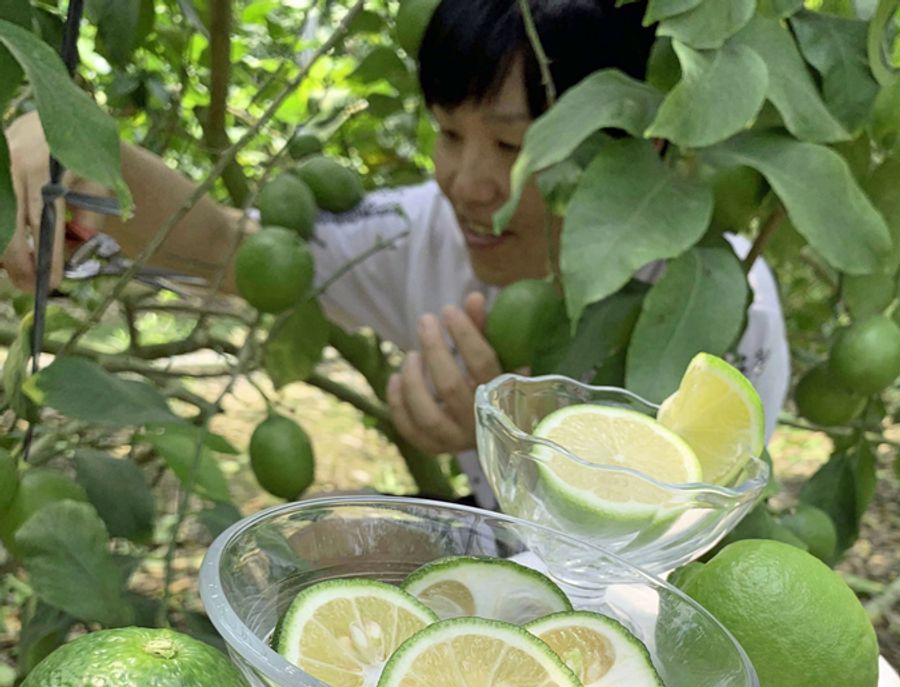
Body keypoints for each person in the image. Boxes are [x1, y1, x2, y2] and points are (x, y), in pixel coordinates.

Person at [0, 0, 790, 506]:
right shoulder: (423, 229)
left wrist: (511, 447)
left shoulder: (719, 300)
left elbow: (681, 542)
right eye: (448, 132)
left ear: (635, 144)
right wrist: (77, 144)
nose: (468, 181)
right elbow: (232, 252)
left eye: (515, 144)